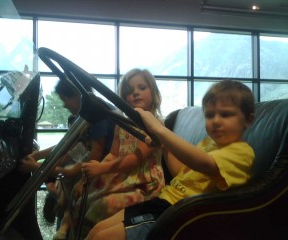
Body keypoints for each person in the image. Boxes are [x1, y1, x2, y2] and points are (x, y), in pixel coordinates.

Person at [86, 79, 256, 240]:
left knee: (102, 237)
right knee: (96, 230)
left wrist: (160, 130)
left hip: (183, 214)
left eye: (226, 114)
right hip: (163, 201)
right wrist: (163, 145)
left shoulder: (242, 153)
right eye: (210, 115)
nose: (216, 121)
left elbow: (204, 164)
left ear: (248, 120)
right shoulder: (208, 143)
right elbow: (180, 172)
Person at [19, 78, 116, 240]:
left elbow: (96, 155)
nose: (64, 105)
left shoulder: (97, 112)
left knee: (66, 178)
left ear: (78, 95)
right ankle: (61, 211)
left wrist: (36, 167)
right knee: (62, 172)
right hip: (88, 161)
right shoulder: (85, 114)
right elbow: (66, 144)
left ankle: (65, 222)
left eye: (65, 100)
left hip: (101, 166)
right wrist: (37, 156)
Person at [76, 68, 165, 239]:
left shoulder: (155, 125)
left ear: (153, 92)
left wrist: (102, 170)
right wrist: (98, 167)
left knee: (102, 204)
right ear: (123, 99)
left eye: (142, 88)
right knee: (81, 195)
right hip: (123, 177)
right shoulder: (121, 124)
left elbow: (135, 159)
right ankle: (72, 230)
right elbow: (113, 153)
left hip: (144, 183)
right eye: (129, 91)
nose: (136, 93)